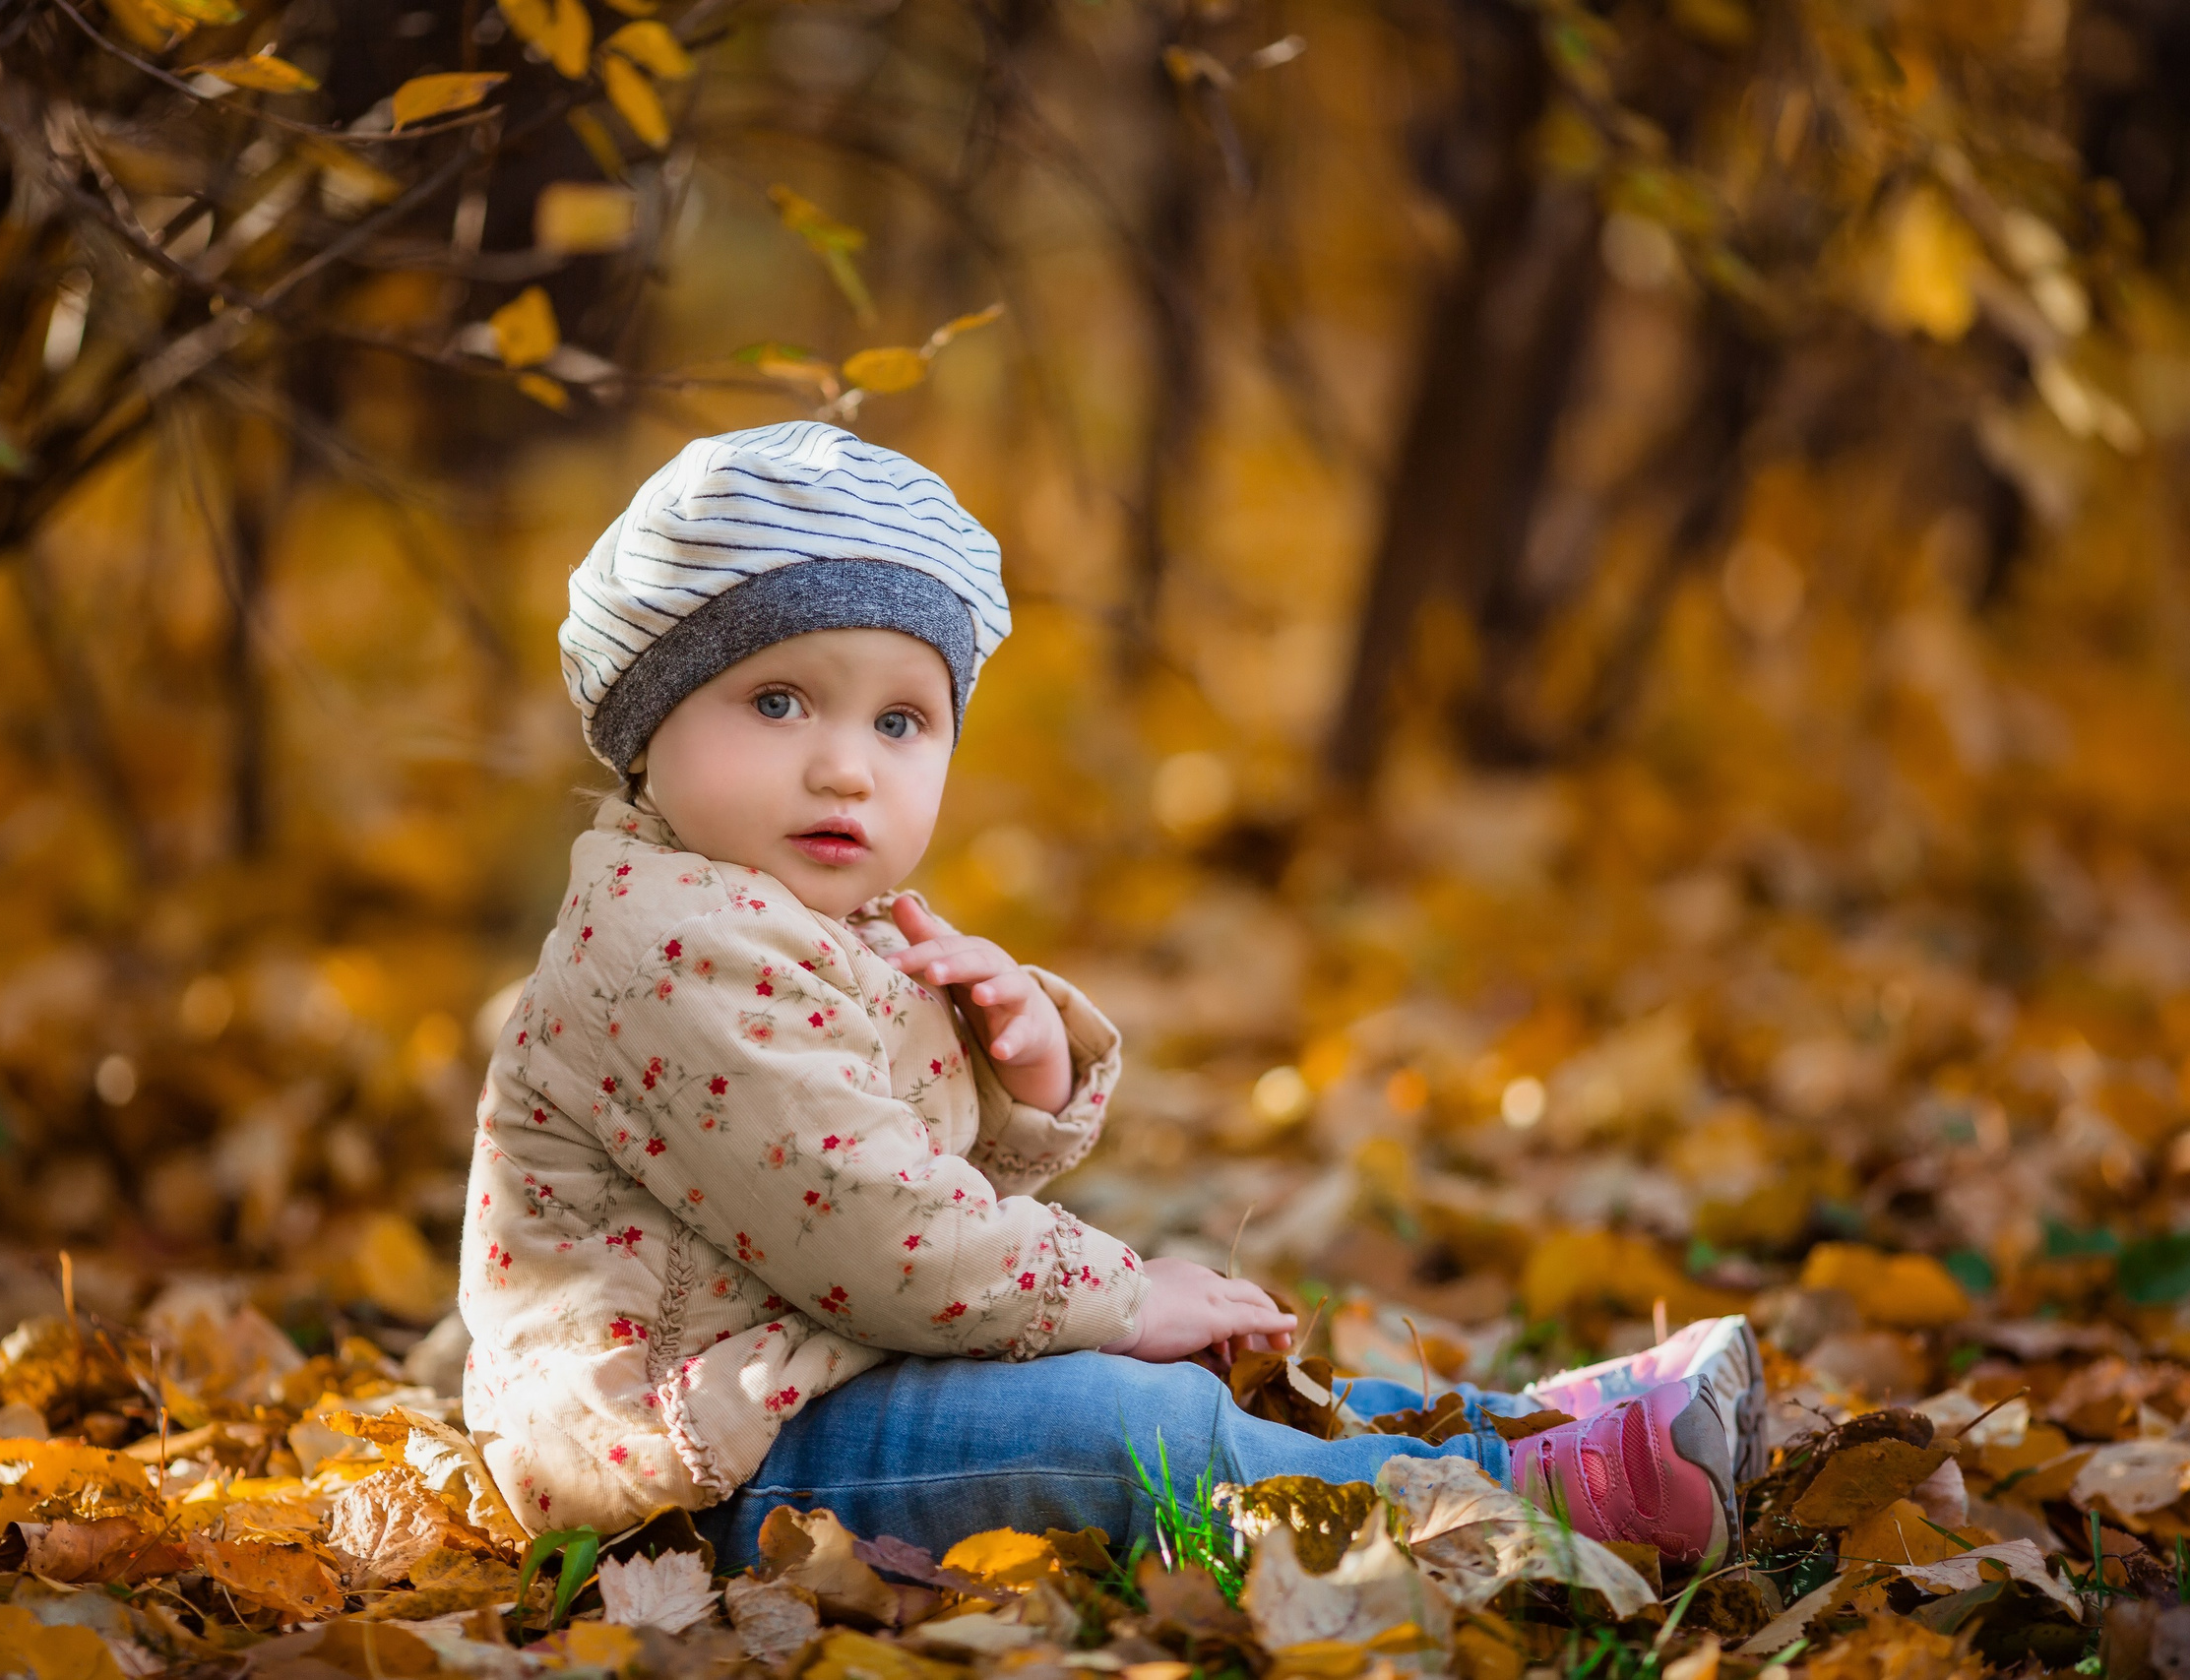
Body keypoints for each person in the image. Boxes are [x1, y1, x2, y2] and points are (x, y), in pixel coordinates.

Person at [455, 420, 1764, 1573]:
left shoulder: (794, 916)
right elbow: (872, 1229)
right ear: (646, 724)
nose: (846, 768)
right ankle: (1520, 1510)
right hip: (703, 1462)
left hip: (819, 1372)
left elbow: (887, 1179)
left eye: (902, 722)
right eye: (779, 701)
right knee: (1128, 1426)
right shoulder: (668, 949)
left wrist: (1012, 1074)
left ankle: (1528, 1430)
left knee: (1179, 1381)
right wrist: (1130, 1294)